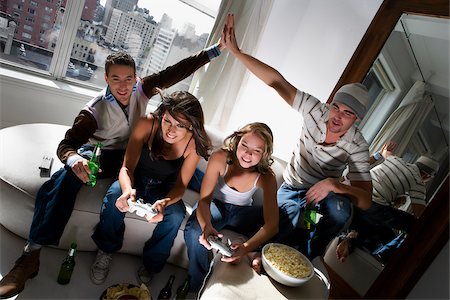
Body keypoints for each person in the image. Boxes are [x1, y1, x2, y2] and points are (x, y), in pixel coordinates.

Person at [0, 43, 224, 298]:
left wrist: (214, 52)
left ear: (136, 78)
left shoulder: (144, 91)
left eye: (128, 78)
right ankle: (31, 255)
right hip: (107, 156)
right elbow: (67, 145)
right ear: (106, 78)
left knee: (196, 187)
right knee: (63, 180)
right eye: (115, 79)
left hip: (148, 157)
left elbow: (176, 71)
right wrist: (75, 160)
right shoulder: (94, 111)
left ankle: (229, 208)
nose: (123, 85)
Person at [223, 13, 372, 259]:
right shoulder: (315, 110)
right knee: (293, 221)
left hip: (319, 199)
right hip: (292, 188)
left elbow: (365, 200)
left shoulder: (357, 145)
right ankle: (269, 253)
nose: (337, 117)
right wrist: (237, 52)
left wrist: (334, 184)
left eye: (347, 114)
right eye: (336, 107)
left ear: (356, 119)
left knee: (339, 210)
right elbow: (276, 81)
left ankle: (309, 256)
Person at [90, 90, 211, 285]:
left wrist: (165, 202)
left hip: (164, 188)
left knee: (176, 215)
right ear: (162, 114)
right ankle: (106, 249)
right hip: (135, 179)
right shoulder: (147, 123)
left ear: (191, 125)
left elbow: (180, 186)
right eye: (168, 121)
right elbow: (126, 167)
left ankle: (151, 264)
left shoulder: (193, 144)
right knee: (114, 196)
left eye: (180, 125)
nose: (171, 130)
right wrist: (128, 190)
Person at [183, 122, 279, 293]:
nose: (248, 154)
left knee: (282, 222)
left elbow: (272, 225)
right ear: (237, 141)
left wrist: (245, 248)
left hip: (243, 214)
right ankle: (198, 282)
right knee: (193, 229)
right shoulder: (220, 157)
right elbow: (204, 200)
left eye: (257, 151)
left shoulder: (267, 176)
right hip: (215, 206)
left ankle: (252, 252)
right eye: (244, 145)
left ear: (264, 154)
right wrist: (206, 226)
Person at [335, 141, 439, 263]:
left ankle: (350, 241)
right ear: (426, 176)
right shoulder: (418, 182)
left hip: (354, 197)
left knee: (374, 224)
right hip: (372, 206)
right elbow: (420, 214)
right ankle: (393, 259)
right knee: (413, 224)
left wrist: (383, 151)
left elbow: (386, 153)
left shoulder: (396, 160)